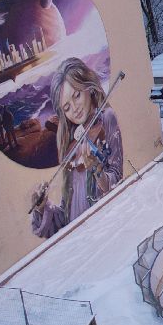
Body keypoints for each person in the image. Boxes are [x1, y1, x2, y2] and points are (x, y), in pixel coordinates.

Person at [28, 58, 123, 240]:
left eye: (77, 95)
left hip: (103, 233)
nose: (75, 108)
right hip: (79, 241)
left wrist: (96, 170)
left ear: (88, 86)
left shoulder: (107, 118)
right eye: (67, 107)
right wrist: (42, 208)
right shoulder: (69, 145)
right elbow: (65, 217)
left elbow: (117, 182)